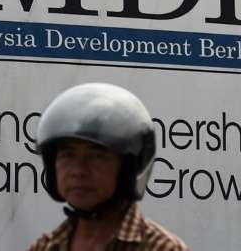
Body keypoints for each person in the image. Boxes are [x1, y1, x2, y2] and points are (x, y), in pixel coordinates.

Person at [28, 83, 190, 251]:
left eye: (96, 157)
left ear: (128, 169)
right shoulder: (44, 247)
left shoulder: (162, 248)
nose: (78, 171)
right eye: (67, 155)